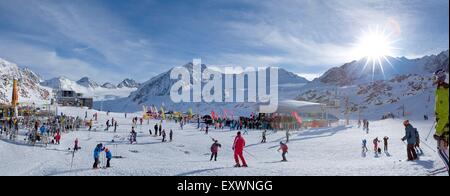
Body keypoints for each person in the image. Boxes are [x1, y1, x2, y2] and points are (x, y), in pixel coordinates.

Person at [433, 69, 449, 171]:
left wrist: (438, 132)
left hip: (444, 128)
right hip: (444, 125)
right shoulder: (442, 89)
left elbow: (444, 115)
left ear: (440, 78)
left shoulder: (443, 91)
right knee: (444, 150)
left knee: (441, 151)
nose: (433, 80)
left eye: (435, 77)